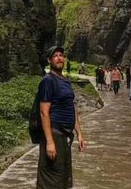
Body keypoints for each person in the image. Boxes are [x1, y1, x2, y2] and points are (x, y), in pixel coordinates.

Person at [37, 45, 86, 188]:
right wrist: (49, 142)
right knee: (51, 179)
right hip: (55, 134)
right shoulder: (48, 81)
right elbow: (44, 112)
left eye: (61, 55)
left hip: (65, 136)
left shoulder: (65, 81)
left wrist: (80, 134)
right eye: (55, 56)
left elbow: (72, 107)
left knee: (64, 177)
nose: (59, 58)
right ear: (49, 60)